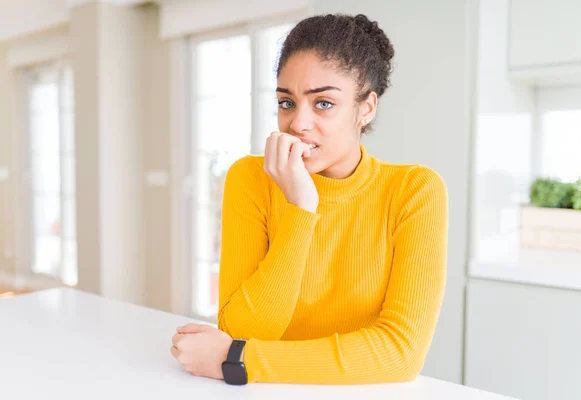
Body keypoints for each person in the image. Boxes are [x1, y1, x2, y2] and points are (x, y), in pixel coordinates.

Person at [170, 13, 448, 385]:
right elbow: (243, 328)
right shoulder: (251, 179)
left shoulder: (415, 192)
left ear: (366, 108)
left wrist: (238, 359)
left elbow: (400, 352)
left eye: (323, 104)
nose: (298, 123)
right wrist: (301, 209)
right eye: (287, 103)